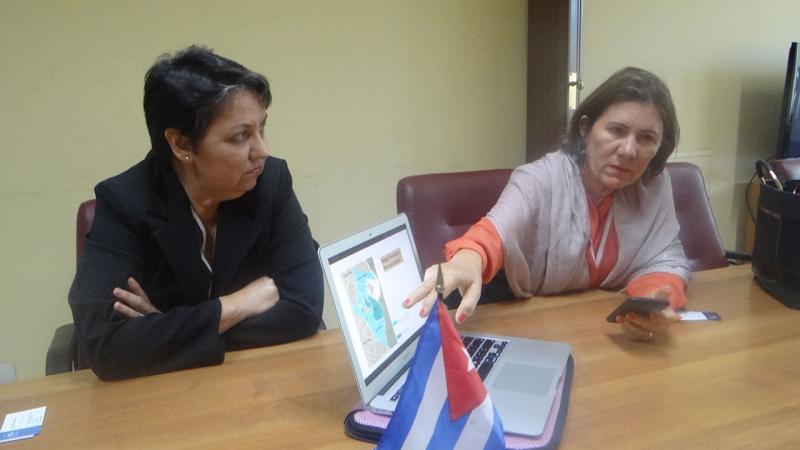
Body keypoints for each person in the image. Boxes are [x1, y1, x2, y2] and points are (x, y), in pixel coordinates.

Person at [69, 46, 323, 380]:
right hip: (163, 397)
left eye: (261, 128)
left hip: (257, 381)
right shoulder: (125, 202)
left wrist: (165, 326)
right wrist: (233, 306)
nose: (262, 150)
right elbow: (103, 347)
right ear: (182, 145)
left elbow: (304, 308)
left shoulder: (270, 184)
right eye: (241, 136)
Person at [406, 67, 690, 342]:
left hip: (586, 330)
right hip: (513, 321)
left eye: (646, 138)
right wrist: (466, 260)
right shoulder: (539, 178)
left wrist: (652, 300)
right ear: (585, 129)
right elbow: (495, 231)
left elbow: (665, 257)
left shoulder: (653, 185)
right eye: (616, 131)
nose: (629, 150)